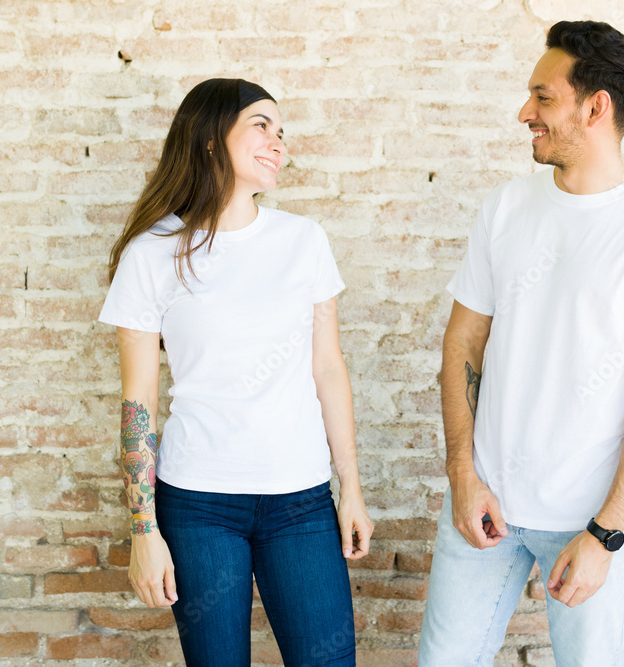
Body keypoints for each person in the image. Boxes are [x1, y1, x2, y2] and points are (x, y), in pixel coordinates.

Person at [418, 20, 624, 666]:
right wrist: (463, 476)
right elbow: (462, 341)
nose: (526, 113)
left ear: (595, 106)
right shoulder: (505, 208)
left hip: (587, 517)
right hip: (481, 505)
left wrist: (605, 531)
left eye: (543, 98)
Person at [98, 78, 372, 666]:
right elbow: (138, 399)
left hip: (300, 500)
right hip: (197, 504)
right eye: (261, 126)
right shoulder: (153, 254)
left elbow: (328, 368)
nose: (278, 142)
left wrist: (350, 488)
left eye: (282, 132)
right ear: (208, 138)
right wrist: (143, 530)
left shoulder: (304, 240)